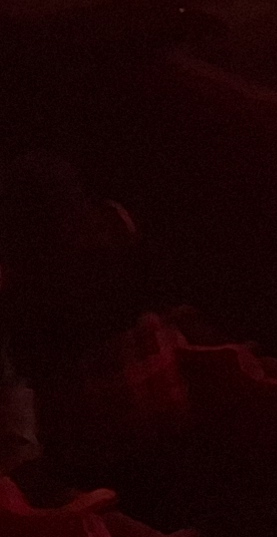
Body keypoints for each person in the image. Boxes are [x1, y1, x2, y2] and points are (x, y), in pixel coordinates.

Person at [0, 155, 183, 484]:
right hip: (174, 426)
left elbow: (29, 372)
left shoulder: (33, 282)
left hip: (96, 460)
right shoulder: (118, 226)